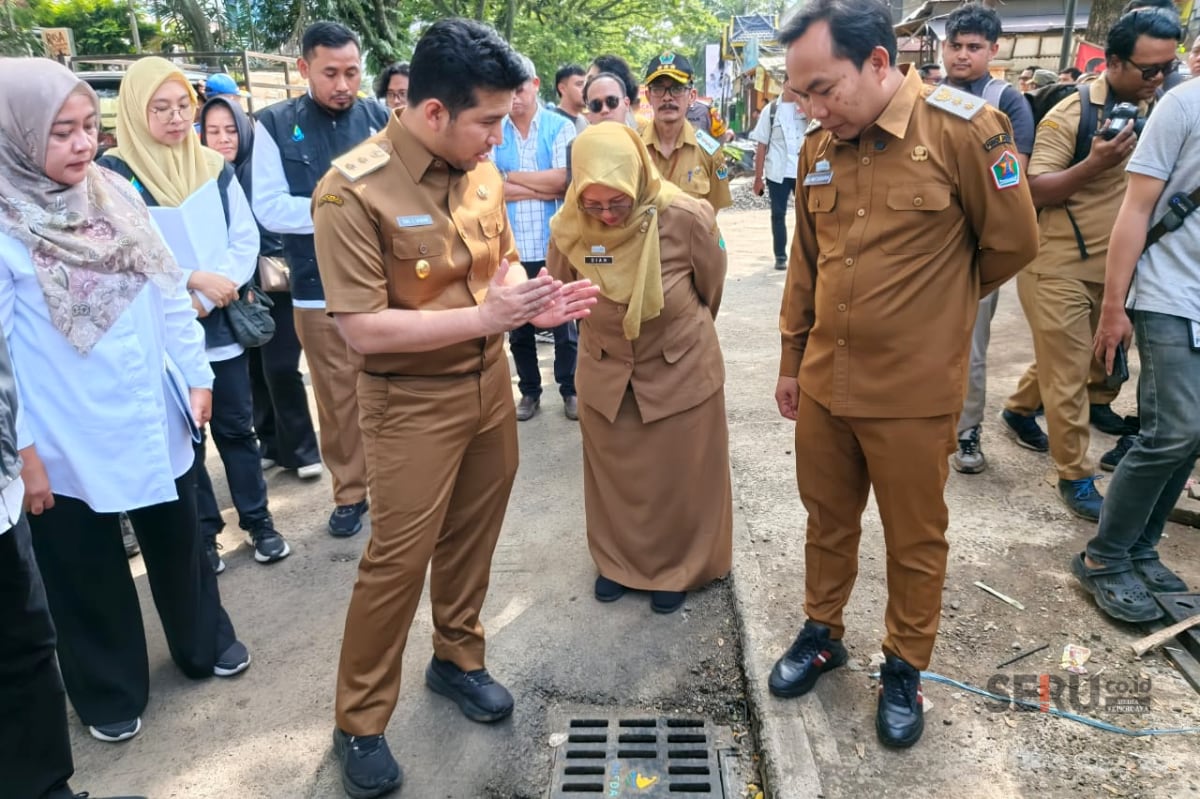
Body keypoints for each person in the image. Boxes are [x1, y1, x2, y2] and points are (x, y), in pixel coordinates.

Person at [310, 19, 598, 798]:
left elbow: (498, 260)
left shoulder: (478, 170)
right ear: (432, 111)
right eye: (488, 121)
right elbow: (361, 330)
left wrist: (527, 303)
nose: (499, 136)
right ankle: (359, 720)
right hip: (409, 405)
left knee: (473, 536)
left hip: (485, 389)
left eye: (505, 118)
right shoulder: (352, 189)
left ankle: (457, 658)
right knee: (396, 562)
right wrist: (484, 319)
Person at [769, 0, 1038, 748]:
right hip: (826, 381)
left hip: (914, 395)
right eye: (802, 95)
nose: (813, 107)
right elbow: (806, 265)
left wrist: (935, 306)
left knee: (914, 538)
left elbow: (1014, 243)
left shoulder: (963, 130)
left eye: (825, 88)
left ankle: (903, 664)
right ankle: (823, 631)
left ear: (880, 63)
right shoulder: (819, 146)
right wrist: (792, 359)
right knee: (827, 521)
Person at [0, 58, 249, 747]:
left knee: (180, 537)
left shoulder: (113, 191)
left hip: (151, 402)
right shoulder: (5, 225)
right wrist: (22, 456)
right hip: (61, 430)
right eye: (61, 133)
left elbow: (168, 288)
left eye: (88, 127)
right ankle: (108, 686)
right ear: (15, 137)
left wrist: (195, 373)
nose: (83, 144)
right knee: (83, 563)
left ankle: (203, 641)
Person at [98, 58, 290, 571]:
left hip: (220, 320)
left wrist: (211, 291)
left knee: (234, 427)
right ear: (136, 112)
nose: (176, 117)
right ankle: (205, 534)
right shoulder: (114, 174)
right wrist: (191, 280)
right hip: (163, 330)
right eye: (160, 108)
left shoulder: (212, 165)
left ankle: (259, 522)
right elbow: (126, 250)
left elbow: (243, 235)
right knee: (185, 440)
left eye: (183, 105)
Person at [1003, 8, 1182, 521]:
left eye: (1168, 68)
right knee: (1067, 375)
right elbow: (1031, 189)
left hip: (1116, 271)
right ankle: (1076, 476)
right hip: (1056, 264)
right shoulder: (1071, 114)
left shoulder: (1164, 111)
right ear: (1115, 63)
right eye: (1148, 70)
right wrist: (1094, 163)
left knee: (1074, 359)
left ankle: (1018, 410)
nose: (1158, 79)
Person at [547, 123, 731, 614]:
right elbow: (558, 289)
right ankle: (617, 562)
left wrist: (677, 332)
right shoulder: (570, 225)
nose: (606, 216)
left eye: (619, 203)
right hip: (606, 368)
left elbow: (710, 287)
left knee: (679, 473)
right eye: (595, 204)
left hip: (678, 365)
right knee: (616, 479)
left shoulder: (686, 216)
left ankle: (679, 566)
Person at [252, 21, 389, 537]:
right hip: (315, 288)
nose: (343, 85)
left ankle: (393, 484)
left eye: (352, 72)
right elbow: (267, 206)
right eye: (330, 73)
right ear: (304, 69)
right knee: (336, 397)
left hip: (379, 284)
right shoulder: (273, 124)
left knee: (389, 388)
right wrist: (338, 210)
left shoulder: (379, 118)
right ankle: (351, 493)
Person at [1081, 46, 1200, 623]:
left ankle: (1140, 546)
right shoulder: (1183, 106)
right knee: (1171, 432)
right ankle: (1104, 555)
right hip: (1169, 289)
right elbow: (1135, 209)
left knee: (1191, 436)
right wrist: (1113, 304)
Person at [200, 96, 323, 484]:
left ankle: (304, 449)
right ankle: (271, 443)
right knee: (252, 370)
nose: (222, 139)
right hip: (227, 289)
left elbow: (275, 220)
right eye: (213, 131)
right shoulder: (206, 176)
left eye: (231, 129)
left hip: (273, 283)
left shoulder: (258, 170)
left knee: (281, 367)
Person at [938, 3, 1037, 475]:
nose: (962, 56)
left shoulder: (1007, 101)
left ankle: (967, 428)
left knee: (971, 345)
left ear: (994, 50)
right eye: (954, 46)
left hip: (977, 247)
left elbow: (1011, 178)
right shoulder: (925, 95)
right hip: (929, 240)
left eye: (974, 47)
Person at [494, 55, 579, 422]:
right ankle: (529, 392)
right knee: (519, 328)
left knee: (564, 326)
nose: (514, 95)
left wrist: (512, 177)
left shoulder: (559, 128)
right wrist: (538, 183)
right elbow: (491, 187)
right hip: (511, 249)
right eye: (507, 88)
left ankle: (570, 389)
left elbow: (563, 182)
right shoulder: (495, 131)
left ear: (536, 84)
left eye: (520, 86)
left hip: (554, 246)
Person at [640, 52, 732, 213]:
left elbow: (712, 215)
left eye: (676, 89)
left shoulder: (710, 152)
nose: (667, 98)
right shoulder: (634, 147)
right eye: (658, 89)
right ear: (648, 96)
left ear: (692, 96)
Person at [750, 85, 807, 270]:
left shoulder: (808, 106)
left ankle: (805, 255)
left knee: (807, 215)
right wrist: (758, 178)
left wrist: (804, 105)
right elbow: (761, 145)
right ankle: (780, 256)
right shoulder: (771, 110)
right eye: (792, 84)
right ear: (784, 85)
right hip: (778, 172)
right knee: (778, 215)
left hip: (804, 171)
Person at [553, 63, 588, 132]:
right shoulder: (550, 122)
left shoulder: (584, 122)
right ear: (562, 88)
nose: (585, 89)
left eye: (586, 84)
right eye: (579, 84)